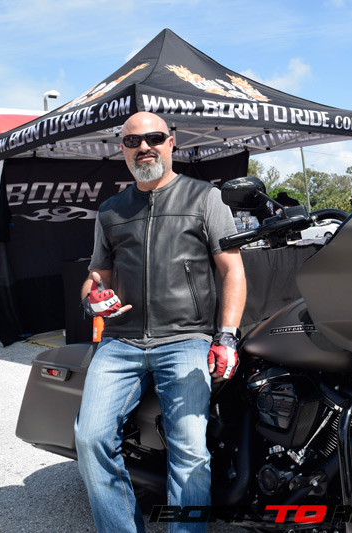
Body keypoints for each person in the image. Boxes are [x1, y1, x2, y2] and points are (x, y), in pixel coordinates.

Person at [74, 111, 247, 532]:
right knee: (90, 438)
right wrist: (92, 299)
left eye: (153, 138)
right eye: (133, 141)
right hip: (121, 343)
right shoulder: (111, 211)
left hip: (186, 339)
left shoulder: (205, 198)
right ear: (122, 149)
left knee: (190, 451)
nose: (144, 147)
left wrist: (226, 336)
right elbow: (96, 277)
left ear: (171, 142)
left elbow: (233, 271)